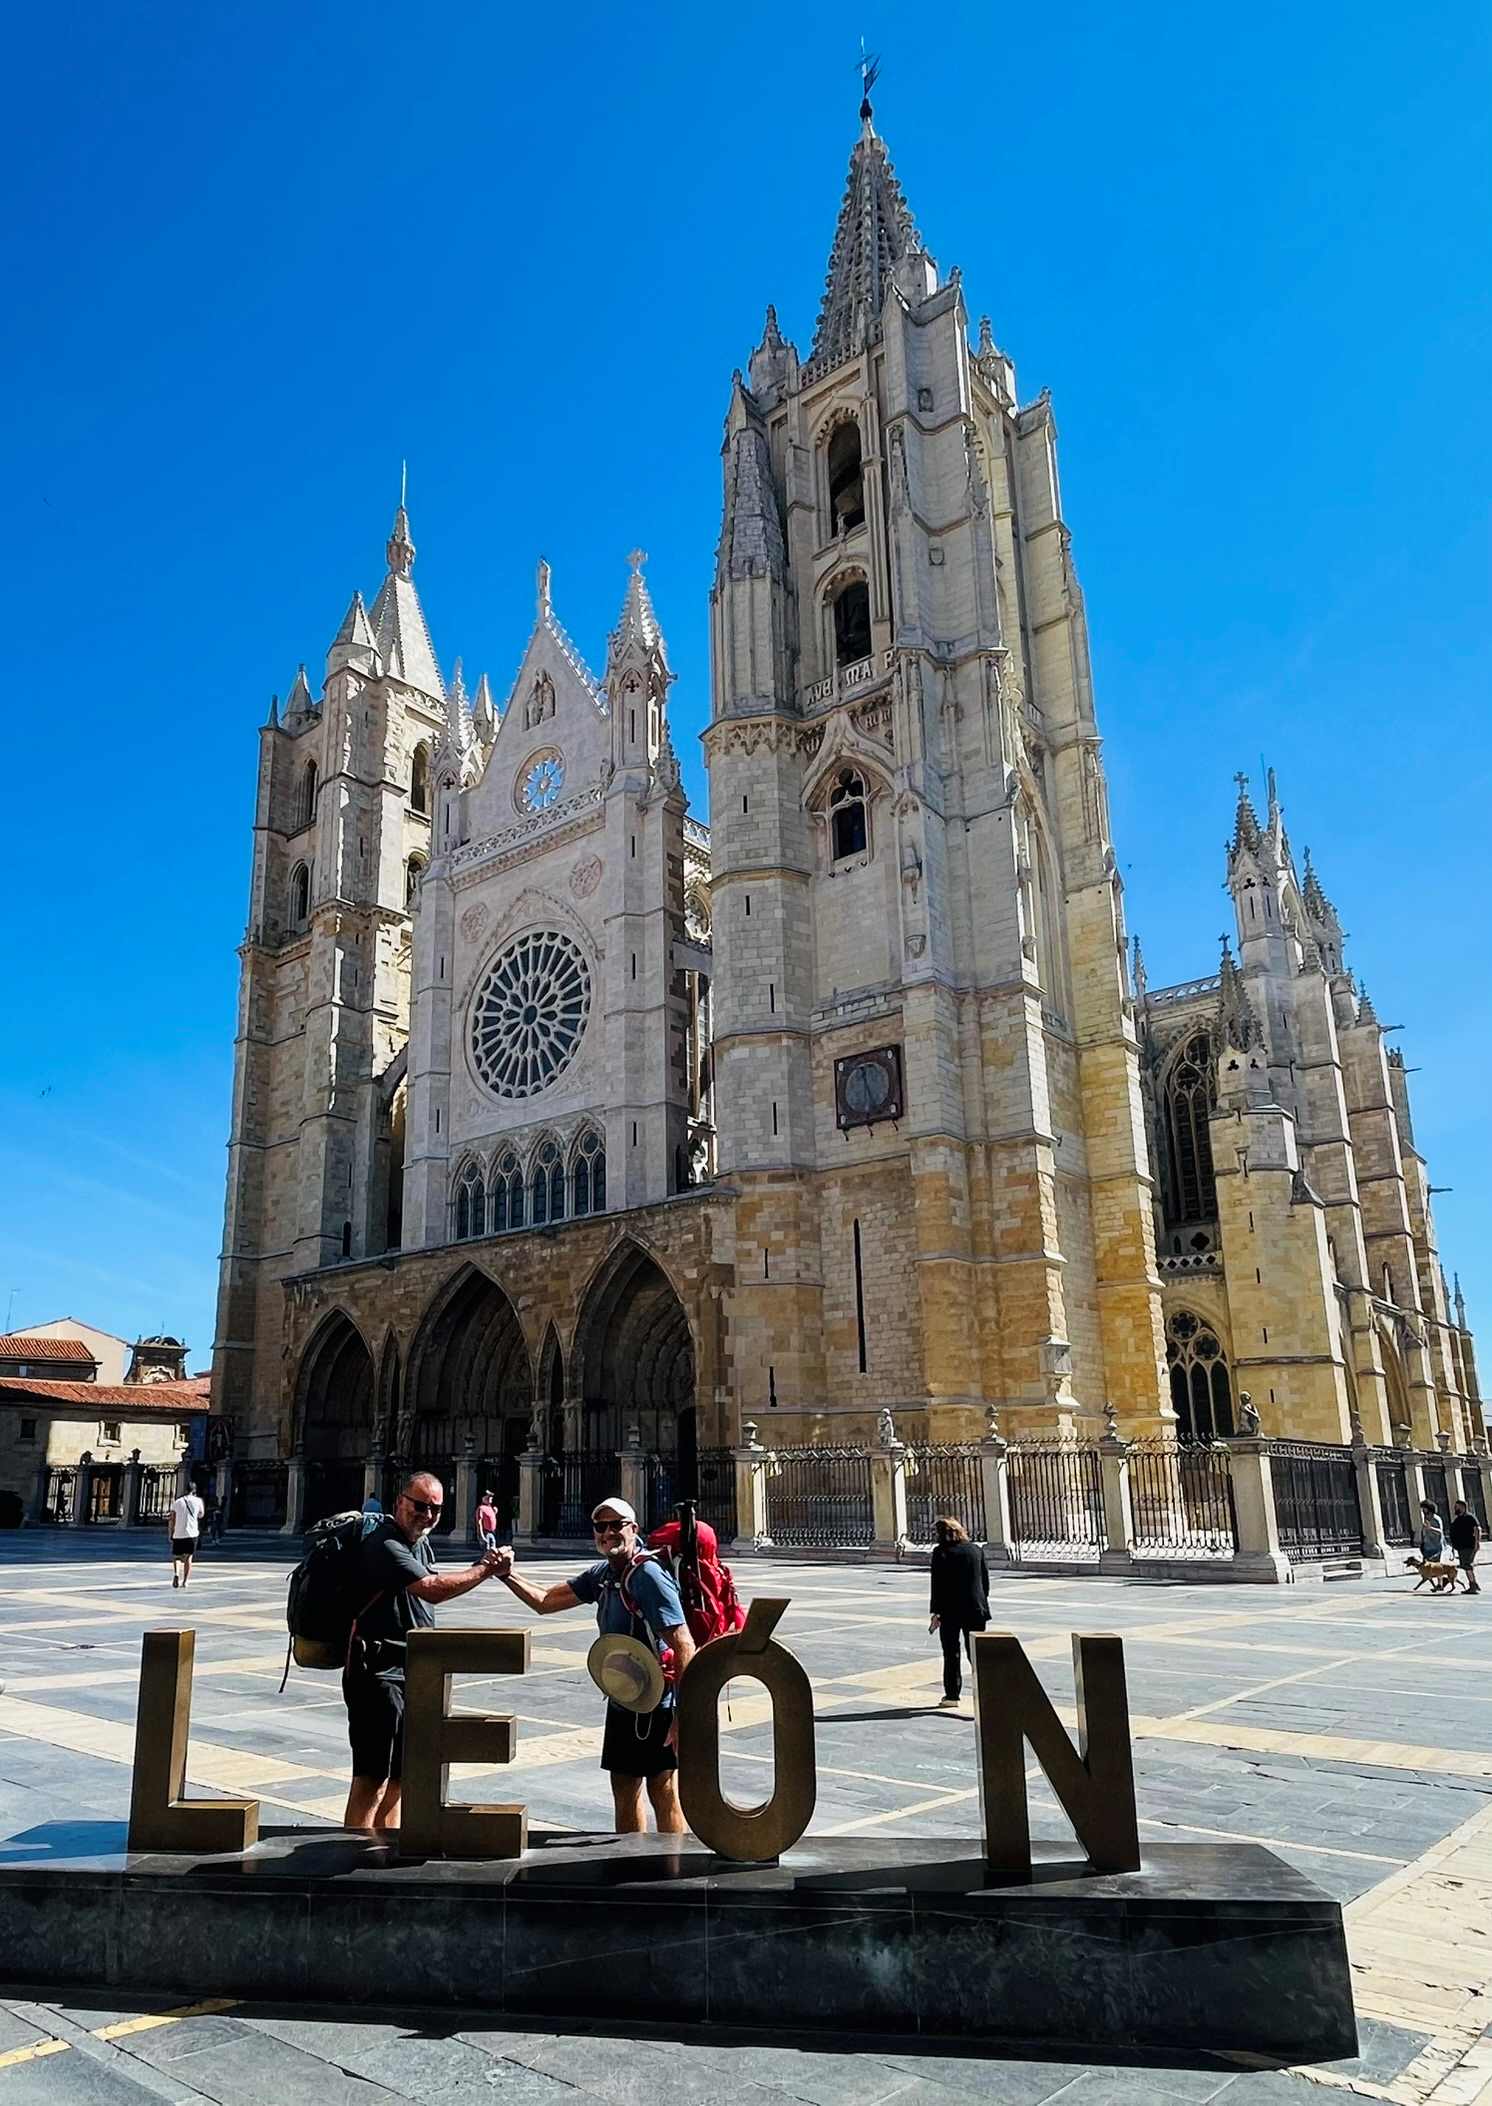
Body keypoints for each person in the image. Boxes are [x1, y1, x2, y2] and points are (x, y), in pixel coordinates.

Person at [495, 1496, 696, 1834]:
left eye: (616, 1525)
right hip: (625, 1696)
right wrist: (506, 1575)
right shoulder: (603, 1574)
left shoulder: (648, 1575)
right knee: (624, 1785)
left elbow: (683, 1643)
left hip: (655, 1703)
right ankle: (633, 1858)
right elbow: (546, 1601)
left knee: (661, 1788)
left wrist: (684, 1714)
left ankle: (670, 1864)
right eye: (600, 1527)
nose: (608, 1533)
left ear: (634, 1529)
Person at [341, 1472, 504, 1833]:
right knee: (372, 1779)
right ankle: (352, 1858)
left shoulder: (419, 1543)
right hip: (378, 1673)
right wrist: (486, 1568)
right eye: (420, 1506)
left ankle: (384, 1855)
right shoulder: (384, 1543)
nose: (427, 1515)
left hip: (415, 1670)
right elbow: (431, 1589)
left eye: (435, 1509)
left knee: (402, 1779)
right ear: (400, 1501)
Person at [928, 1515, 990, 1707]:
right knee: (977, 1653)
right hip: (976, 1609)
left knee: (951, 1653)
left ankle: (952, 1696)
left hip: (950, 1611)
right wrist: (981, 1602)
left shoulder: (941, 1552)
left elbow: (937, 1585)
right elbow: (985, 1582)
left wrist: (936, 1613)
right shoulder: (976, 1550)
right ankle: (987, 1693)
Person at [167, 1484, 204, 1588]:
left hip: (178, 1533)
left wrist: (171, 1533)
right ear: (194, 1490)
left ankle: (176, 1574)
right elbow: (201, 1514)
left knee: (177, 1557)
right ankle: (185, 1581)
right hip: (192, 1533)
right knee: (188, 1558)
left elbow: (172, 1519)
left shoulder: (177, 1502)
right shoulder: (198, 1501)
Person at [1448, 1500, 1482, 1594]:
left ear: (1462, 1507)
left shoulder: (1470, 1517)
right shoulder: (1458, 1519)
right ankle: (1474, 1583)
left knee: (1467, 1566)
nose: (1455, 1509)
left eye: (1457, 1507)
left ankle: (1473, 1585)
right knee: (1466, 1565)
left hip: (1469, 1546)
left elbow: (1477, 1529)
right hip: (1461, 1547)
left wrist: (1477, 1543)